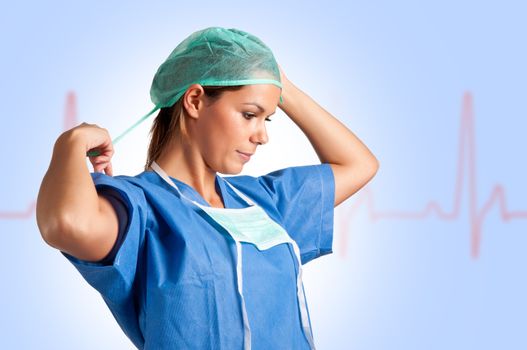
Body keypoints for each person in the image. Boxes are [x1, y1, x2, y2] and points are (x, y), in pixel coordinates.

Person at [36, 27, 379, 349]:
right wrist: (72, 141)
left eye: (267, 118)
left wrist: (278, 84)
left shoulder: (264, 201)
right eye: (249, 114)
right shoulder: (140, 209)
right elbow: (66, 224)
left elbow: (359, 165)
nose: (262, 136)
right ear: (196, 100)